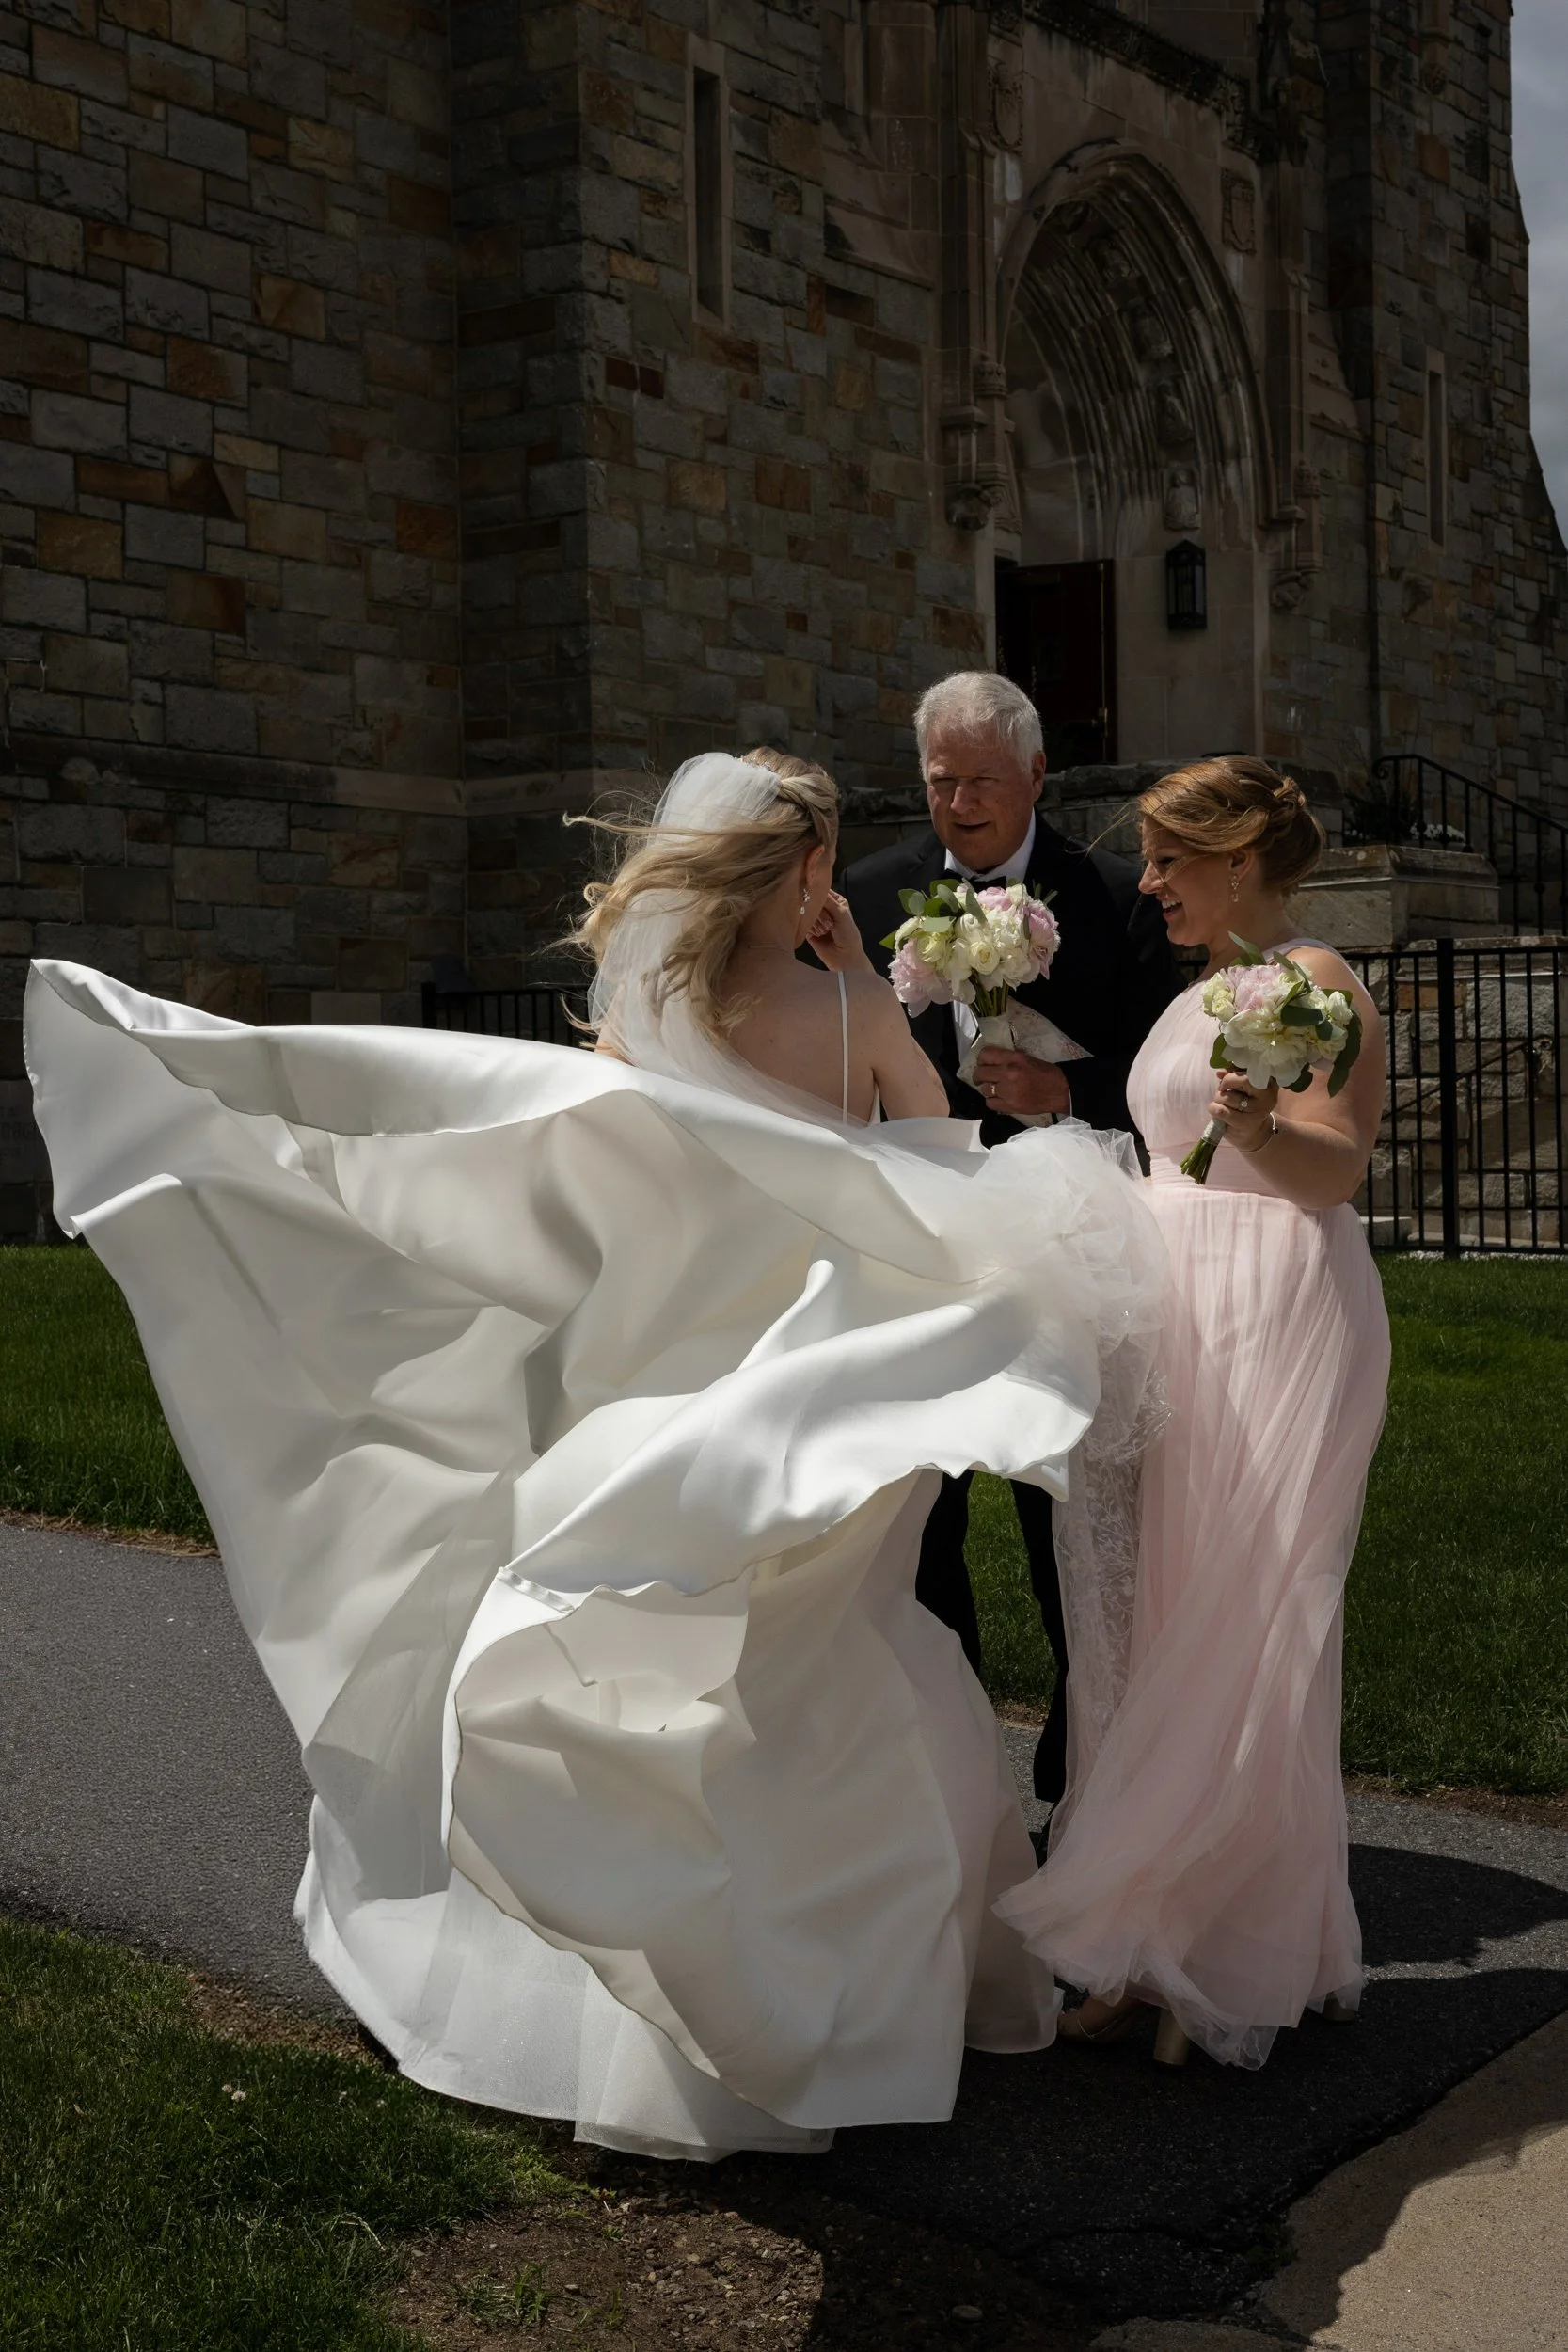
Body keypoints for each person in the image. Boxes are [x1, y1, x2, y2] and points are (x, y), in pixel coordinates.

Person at [25, 747, 1164, 2158]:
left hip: (655, 1382)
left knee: (650, 1669)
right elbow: (934, 1160)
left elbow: (581, 1157)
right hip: (803, 1396)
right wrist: (862, 978)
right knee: (830, 1673)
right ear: (801, 869)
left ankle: (611, 1988)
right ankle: (839, 1999)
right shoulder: (838, 1005)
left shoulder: (655, 1006)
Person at [996, 755, 1391, 2071]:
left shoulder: (1314, 982)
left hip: (1272, 1306)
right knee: (1143, 1611)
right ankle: (1133, 1934)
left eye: (1169, 859)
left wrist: (1260, 1132)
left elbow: (1331, 1167)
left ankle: (1223, 1947)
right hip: (1169, 1313)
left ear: (1236, 862)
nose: (1148, 883)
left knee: (1240, 1611)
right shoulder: (1197, 994)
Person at [842, 673, 1181, 1802]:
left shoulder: (1113, 897)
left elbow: (1160, 1071)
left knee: (1065, 1511)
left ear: (1038, 776)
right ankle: (951, 1760)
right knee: (924, 1510)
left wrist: (1061, 1084)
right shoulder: (873, 891)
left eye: (984, 777)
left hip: (1065, 1239)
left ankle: (1083, 1760)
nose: (961, 798)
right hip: (920, 1241)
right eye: (941, 778)